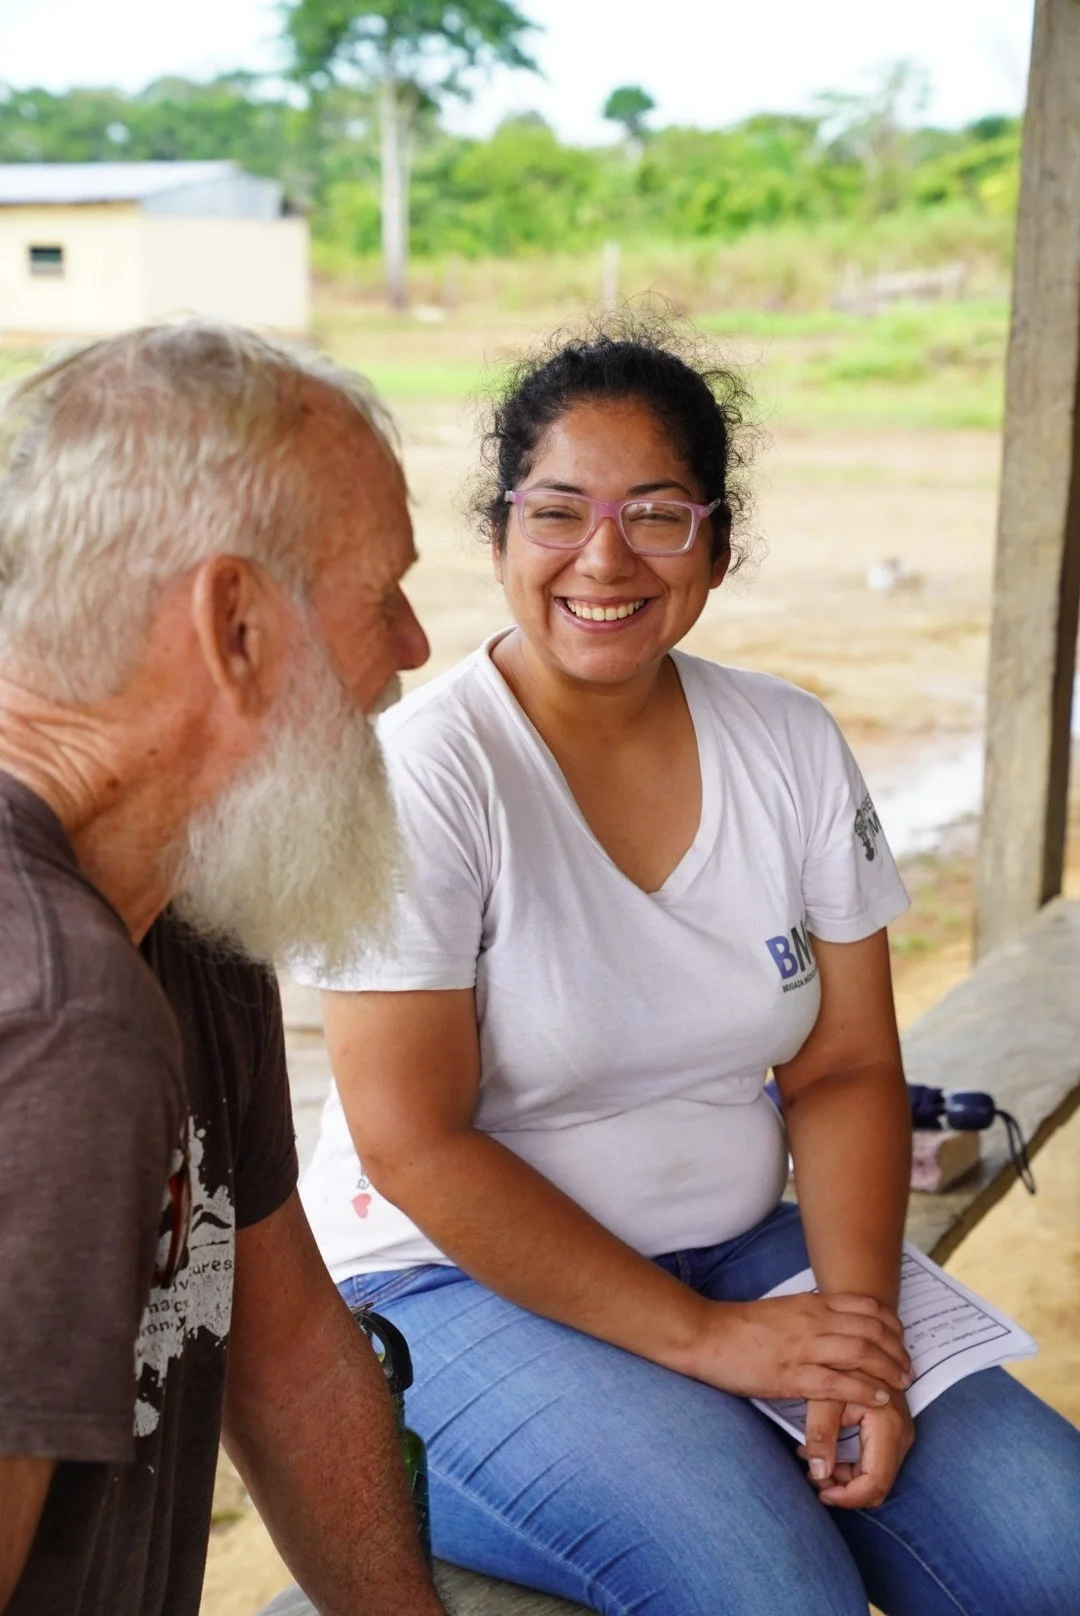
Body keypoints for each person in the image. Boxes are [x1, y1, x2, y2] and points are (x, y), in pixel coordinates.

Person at [297, 323, 1080, 1616]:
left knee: (1054, 1552)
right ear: (498, 535)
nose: (604, 558)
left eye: (657, 515)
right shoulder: (428, 774)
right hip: (446, 1285)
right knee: (776, 1595)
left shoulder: (788, 742)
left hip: (737, 1248)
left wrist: (851, 1337)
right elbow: (411, 1144)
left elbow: (843, 1069)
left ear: (717, 544)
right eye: (557, 511)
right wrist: (710, 1345)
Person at [0, 324, 447, 1616]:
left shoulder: (184, 910)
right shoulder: (55, 1019)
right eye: (382, 594)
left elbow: (290, 1355)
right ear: (236, 625)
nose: (413, 647)